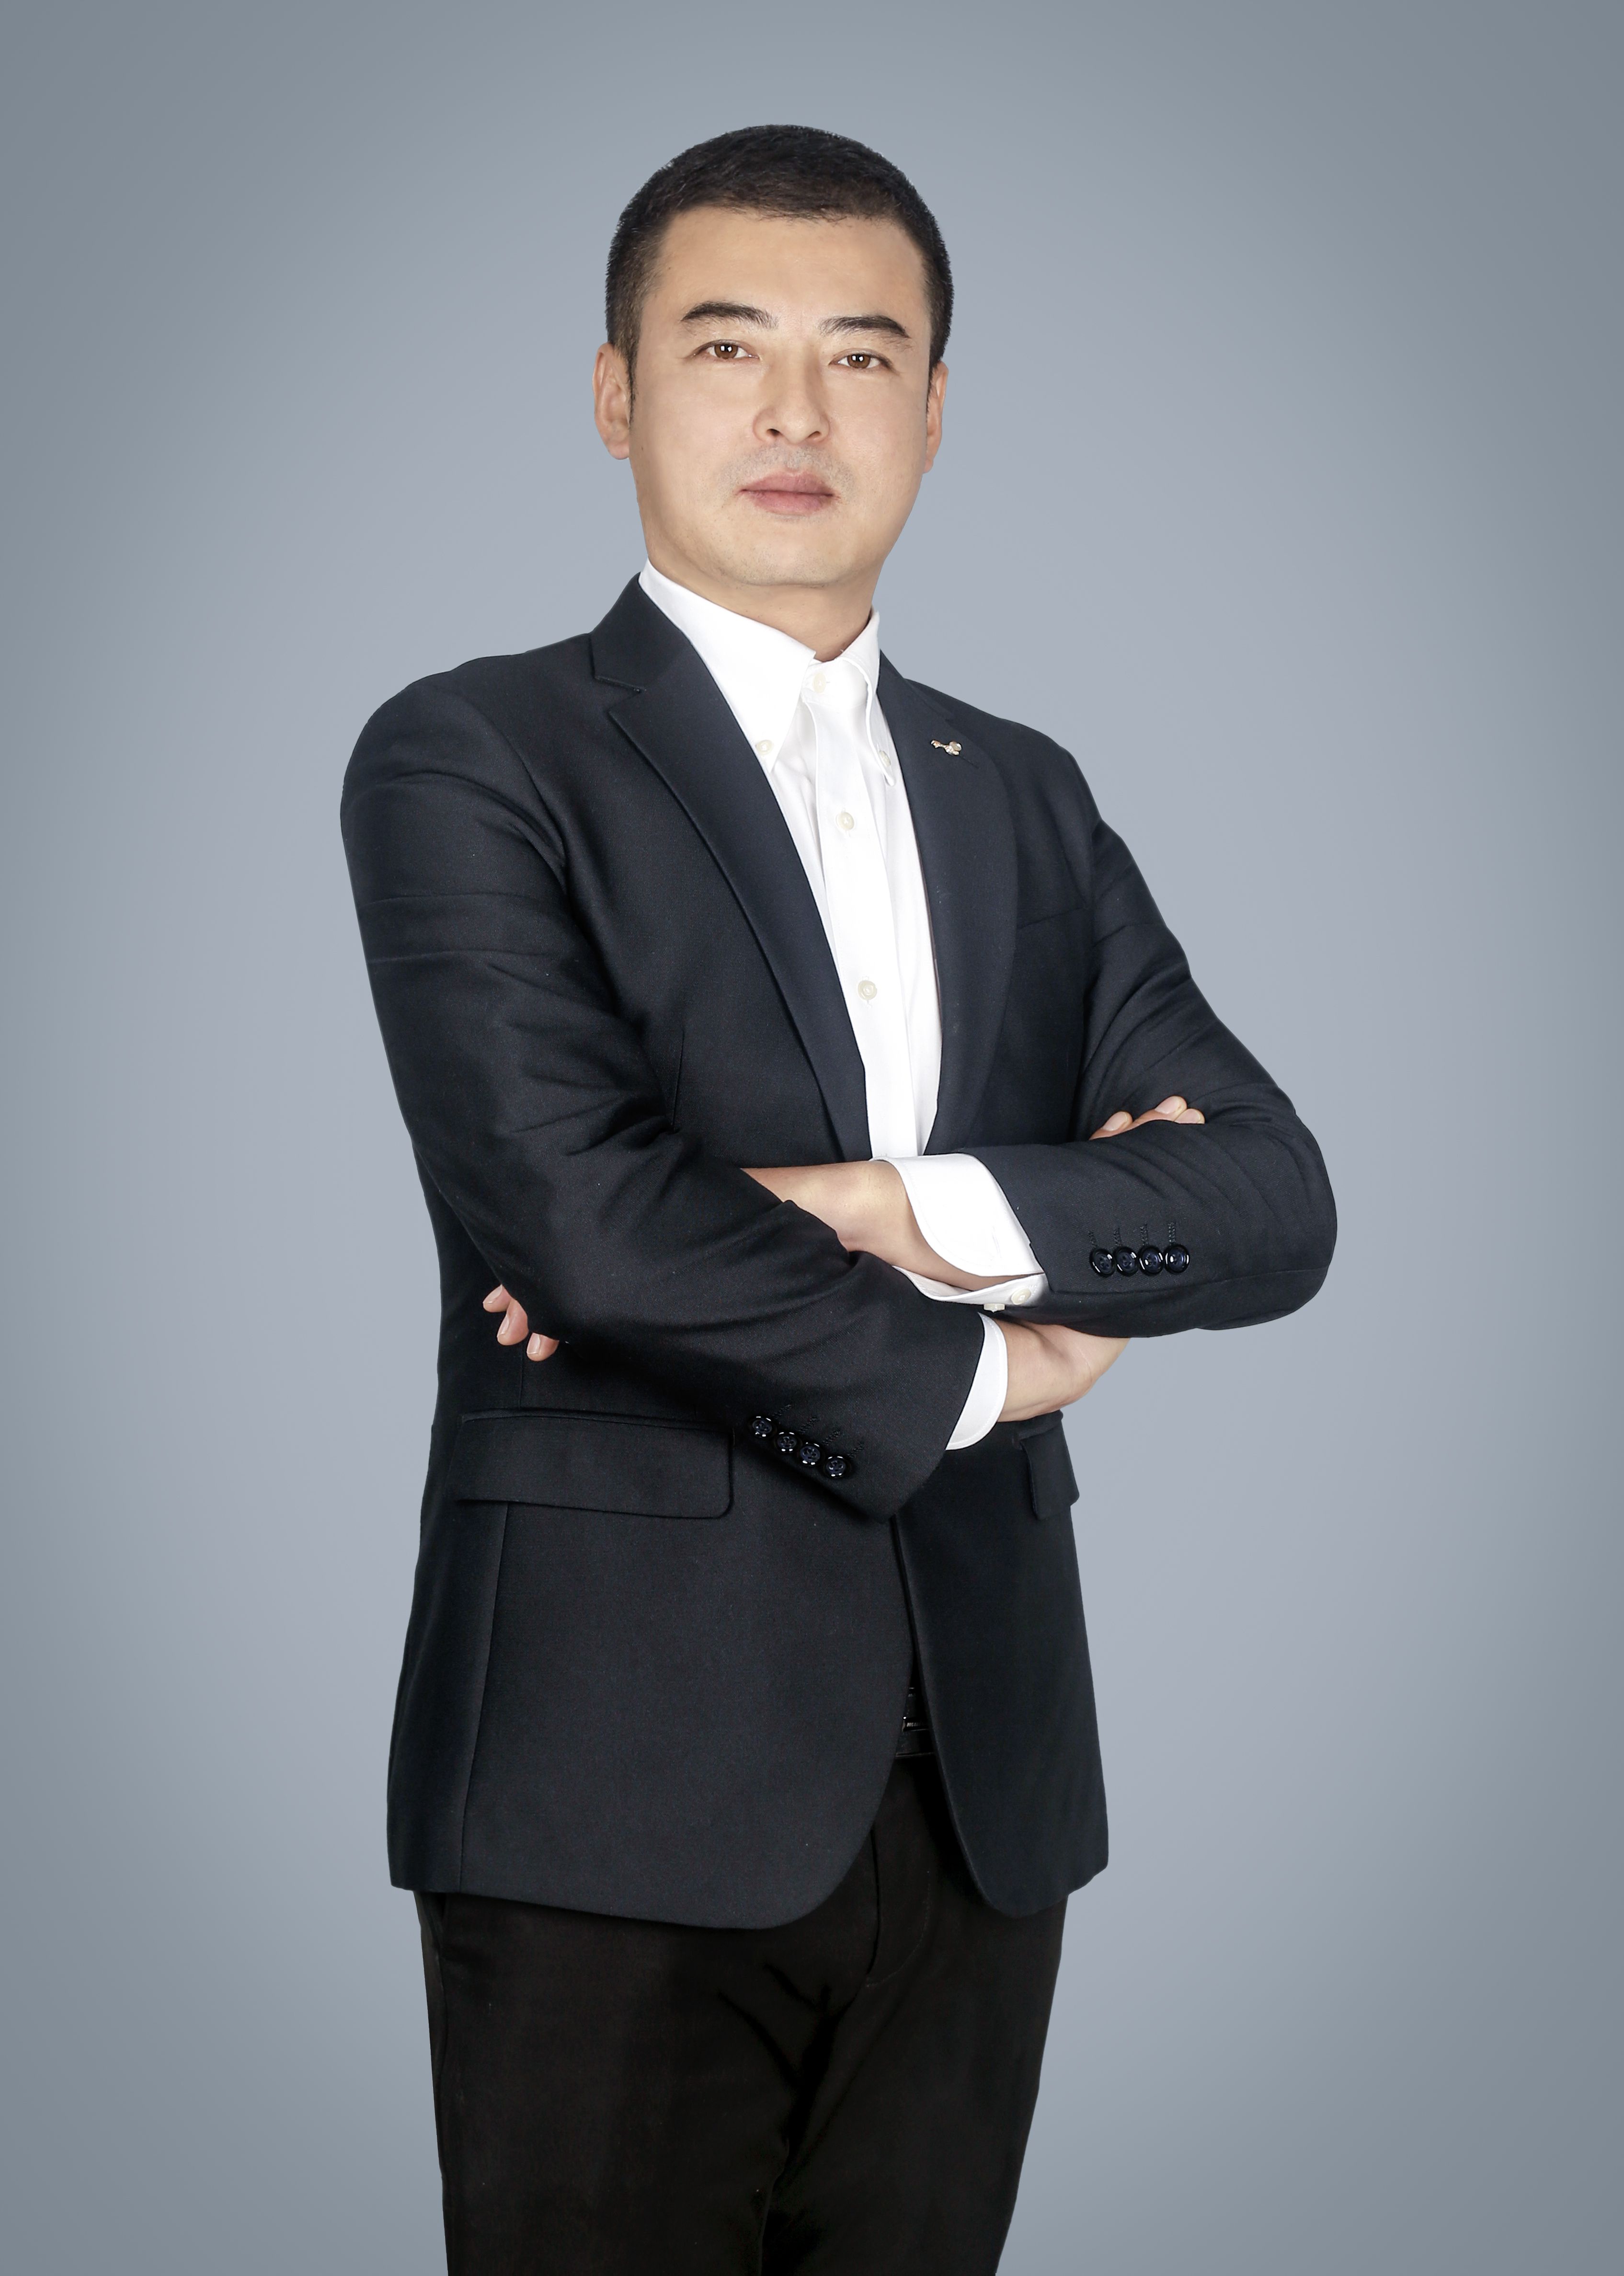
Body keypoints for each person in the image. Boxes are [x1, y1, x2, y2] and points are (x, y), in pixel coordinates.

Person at [341, 122, 1336, 2276]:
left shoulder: (1025, 794)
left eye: (860, 357)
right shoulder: (473, 754)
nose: (797, 412)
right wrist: (1003, 1365)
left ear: (933, 411)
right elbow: (578, 1222)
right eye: (729, 348)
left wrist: (888, 1203)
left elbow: (1269, 1199)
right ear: (616, 393)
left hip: (982, 1786)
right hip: (609, 1781)